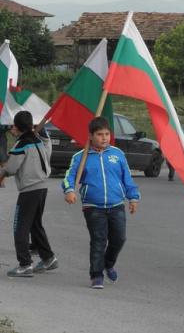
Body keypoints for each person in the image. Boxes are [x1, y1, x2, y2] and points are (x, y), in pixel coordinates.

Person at [62, 116, 140, 289]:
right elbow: (70, 176)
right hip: (93, 206)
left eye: (107, 134)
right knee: (98, 240)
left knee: (119, 238)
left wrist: (133, 197)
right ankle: (96, 275)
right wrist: (69, 190)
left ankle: (108, 263)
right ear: (90, 136)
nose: (104, 137)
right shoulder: (81, 157)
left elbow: (127, 178)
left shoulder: (117, 154)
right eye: (99, 134)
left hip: (116, 204)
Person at [1, 111, 57, 277]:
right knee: (35, 225)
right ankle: (48, 258)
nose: (11, 129)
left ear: (17, 127)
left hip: (29, 190)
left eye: (12, 126)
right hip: (42, 188)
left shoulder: (21, 145)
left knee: (20, 227)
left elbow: (11, 168)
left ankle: (25, 264)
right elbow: (48, 150)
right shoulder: (39, 141)